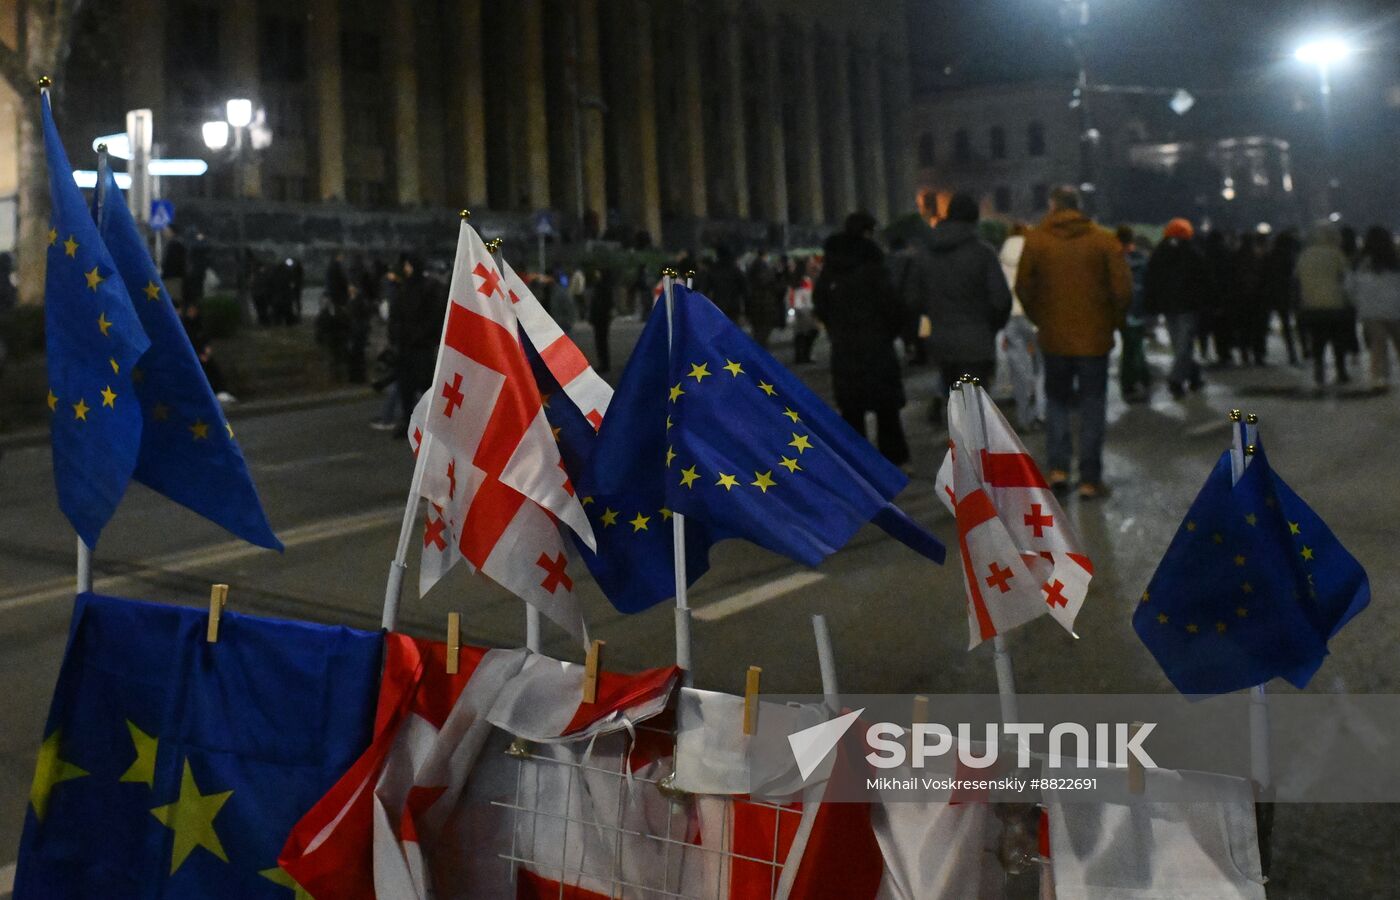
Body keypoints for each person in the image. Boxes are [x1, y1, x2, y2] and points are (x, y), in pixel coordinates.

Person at [1015, 185, 1132, 499]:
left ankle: (1058, 470)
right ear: (1079, 207)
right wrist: (1111, 320)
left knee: (1057, 402)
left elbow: (1023, 286)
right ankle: (1090, 479)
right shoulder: (1103, 241)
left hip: (1053, 336)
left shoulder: (1037, 240)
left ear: (1053, 206)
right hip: (1095, 337)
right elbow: (1122, 291)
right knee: (1093, 404)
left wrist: (1041, 317)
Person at [813, 212, 910, 466]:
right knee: (886, 409)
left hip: (844, 348)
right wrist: (887, 333)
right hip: (877, 346)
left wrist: (837, 330)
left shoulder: (830, 271)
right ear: (868, 232)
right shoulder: (875, 269)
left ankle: (857, 464)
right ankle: (894, 460)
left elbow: (820, 305)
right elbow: (894, 308)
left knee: (851, 409)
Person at [916, 193, 1011, 396]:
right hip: (976, 342)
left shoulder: (928, 252)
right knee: (975, 407)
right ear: (974, 219)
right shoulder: (983, 253)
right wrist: (990, 326)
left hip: (942, 341)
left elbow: (916, 296)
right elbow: (1000, 300)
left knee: (955, 403)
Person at [1144, 218, 1211, 399]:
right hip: (1188, 306)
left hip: (1168, 306)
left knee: (1180, 345)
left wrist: (1152, 305)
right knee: (1184, 344)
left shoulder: (1159, 253)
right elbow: (1202, 281)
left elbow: (1151, 280)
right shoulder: (1192, 252)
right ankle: (1178, 379)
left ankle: (1190, 375)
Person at [1294, 222, 1355, 388]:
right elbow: (1346, 278)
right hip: (1335, 303)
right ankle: (1341, 371)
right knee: (1338, 340)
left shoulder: (1305, 255)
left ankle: (1319, 369)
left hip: (1311, 303)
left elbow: (1297, 278)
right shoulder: (1336, 254)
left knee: (1317, 340)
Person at [389, 254, 444, 432]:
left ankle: (432, 423)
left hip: (421, 347)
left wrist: (419, 336)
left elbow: (433, 318)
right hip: (405, 347)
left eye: (407, 265)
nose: (405, 269)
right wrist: (395, 336)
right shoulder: (403, 289)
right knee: (406, 388)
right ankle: (408, 421)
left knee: (425, 385)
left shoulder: (428, 288)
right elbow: (396, 316)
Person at [998, 224, 1046, 427]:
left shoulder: (1001, 257)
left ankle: (1023, 417)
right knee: (1042, 367)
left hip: (1011, 317)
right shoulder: (1035, 253)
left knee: (1019, 370)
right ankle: (1042, 413)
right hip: (1034, 315)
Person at [1351, 226, 1400, 390]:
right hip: (1395, 308)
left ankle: (1379, 379)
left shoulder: (1362, 262)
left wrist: (1357, 302)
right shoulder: (1395, 259)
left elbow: (1351, 286)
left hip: (1370, 310)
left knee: (1377, 347)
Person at [1116, 226, 1151, 402]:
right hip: (1139, 309)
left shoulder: (1116, 260)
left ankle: (1131, 380)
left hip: (1123, 311)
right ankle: (1142, 378)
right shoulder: (1141, 260)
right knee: (1136, 346)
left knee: (1130, 347)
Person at [1261, 230, 1301, 364]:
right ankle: (1293, 352)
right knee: (1288, 324)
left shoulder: (1270, 255)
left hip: (1271, 292)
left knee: (1265, 323)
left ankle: (1260, 352)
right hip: (1286, 292)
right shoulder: (1290, 257)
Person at [745, 250, 787, 349]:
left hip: (754, 305)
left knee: (757, 331)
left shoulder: (752, 269)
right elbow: (774, 286)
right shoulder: (765, 270)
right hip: (765, 305)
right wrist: (779, 276)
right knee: (763, 333)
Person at [787, 256, 820, 364]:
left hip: (801, 309)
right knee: (810, 331)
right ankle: (804, 355)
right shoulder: (804, 279)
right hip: (805, 309)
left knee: (801, 333)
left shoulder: (799, 277)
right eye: (810, 262)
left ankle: (801, 355)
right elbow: (805, 295)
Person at [588, 266, 616, 372]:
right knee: (602, 342)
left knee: (600, 342)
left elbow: (597, 304)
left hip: (600, 318)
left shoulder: (601, 286)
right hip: (603, 318)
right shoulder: (607, 286)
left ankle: (604, 365)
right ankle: (604, 364)